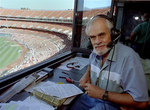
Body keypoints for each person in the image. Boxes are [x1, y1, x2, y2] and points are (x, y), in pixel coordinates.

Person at [71, 14, 149, 110]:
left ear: (113, 34)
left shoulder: (128, 57)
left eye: (101, 35)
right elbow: (91, 65)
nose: (97, 42)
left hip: (113, 103)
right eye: (93, 37)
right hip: (90, 98)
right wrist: (87, 73)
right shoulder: (95, 52)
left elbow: (142, 102)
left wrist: (102, 94)